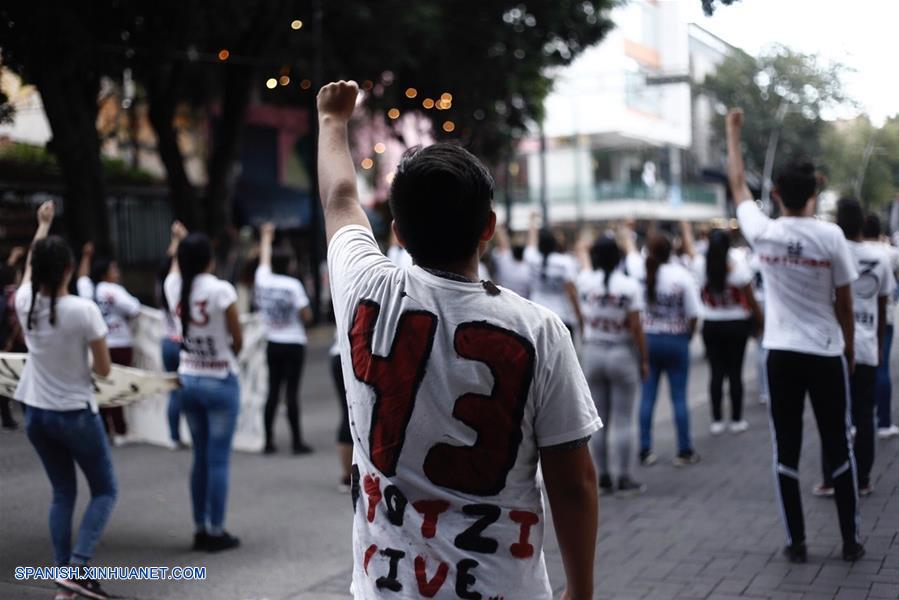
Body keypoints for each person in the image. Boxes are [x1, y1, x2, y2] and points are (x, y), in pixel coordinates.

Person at [318, 81, 601, 599]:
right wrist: (580, 590)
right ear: (488, 227)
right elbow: (574, 482)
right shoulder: (540, 331)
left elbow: (340, 199)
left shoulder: (362, 290)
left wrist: (332, 120)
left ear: (399, 233)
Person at [727, 107, 864, 562]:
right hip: (825, 352)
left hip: (780, 354)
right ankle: (850, 540)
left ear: (776, 193)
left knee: (785, 450)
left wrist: (732, 133)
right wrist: (848, 348)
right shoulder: (832, 237)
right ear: (815, 193)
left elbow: (737, 184)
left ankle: (797, 542)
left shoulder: (763, 231)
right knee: (837, 443)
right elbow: (845, 303)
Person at [14, 202, 117, 599]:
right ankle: (77, 569)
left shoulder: (24, 302)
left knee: (63, 493)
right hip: (75, 415)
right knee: (104, 491)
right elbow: (104, 370)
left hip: (36, 414)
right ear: (70, 269)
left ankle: (65, 582)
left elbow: (29, 268)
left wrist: (42, 225)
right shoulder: (84, 311)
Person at [165, 225, 243, 553]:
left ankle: (199, 527)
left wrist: (178, 241)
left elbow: (174, 265)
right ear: (210, 260)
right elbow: (237, 339)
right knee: (218, 460)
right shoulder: (221, 290)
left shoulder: (173, 286)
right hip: (220, 378)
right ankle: (216, 529)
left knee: (199, 457)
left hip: (188, 378)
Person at [813, 199, 895, 498]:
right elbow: (882, 306)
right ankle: (862, 480)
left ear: (838, 222)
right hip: (867, 345)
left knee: (831, 414)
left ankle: (830, 478)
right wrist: (879, 344)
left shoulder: (831, 253)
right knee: (865, 415)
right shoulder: (881, 259)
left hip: (832, 346)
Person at [578, 235, 648, 495]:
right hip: (622, 352)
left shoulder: (585, 281)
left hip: (593, 352)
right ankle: (624, 477)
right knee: (624, 419)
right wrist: (644, 359)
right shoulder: (629, 286)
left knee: (598, 420)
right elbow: (636, 327)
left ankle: (603, 477)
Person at [637, 233, 702, 467]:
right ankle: (684, 450)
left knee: (647, 396)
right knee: (679, 397)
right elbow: (694, 313)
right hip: (676, 339)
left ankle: (645, 449)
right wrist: (688, 335)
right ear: (670, 252)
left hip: (650, 339)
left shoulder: (642, 275)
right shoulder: (681, 276)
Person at [693, 229, 763, 434]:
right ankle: (736, 419)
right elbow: (750, 299)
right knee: (735, 373)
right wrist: (760, 321)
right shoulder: (739, 266)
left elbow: (699, 292)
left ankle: (716, 420)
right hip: (736, 324)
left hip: (712, 324)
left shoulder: (700, 265)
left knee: (715, 373)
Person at [255, 223, 314, 455]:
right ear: (289, 265)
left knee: (272, 390)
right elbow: (306, 316)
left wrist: (266, 237)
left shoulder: (263, 280)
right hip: (294, 342)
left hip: (273, 341)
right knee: (291, 392)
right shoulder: (293, 285)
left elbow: (263, 260)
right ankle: (297, 441)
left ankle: (268, 440)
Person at [77, 246, 141, 445]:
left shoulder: (89, 290)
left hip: (98, 345)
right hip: (120, 343)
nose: (117, 273)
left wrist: (86, 256)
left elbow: (81, 279)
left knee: (101, 388)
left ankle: (105, 429)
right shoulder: (114, 290)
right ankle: (120, 430)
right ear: (105, 273)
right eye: (114, 269)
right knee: (118, 387)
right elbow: (134, 308)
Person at [863, 215, 899, 439]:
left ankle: (854, 420)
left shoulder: (850, 250)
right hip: (885, 317)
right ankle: (884, 422)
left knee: (854, 369)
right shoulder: (890, 253)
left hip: (857, 318)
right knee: (882, 367)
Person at [525, 213, 583, 335]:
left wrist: (532, 221)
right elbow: (572, 293)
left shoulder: (531, 258)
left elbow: (531, 241)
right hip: (562, 317)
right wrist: (579, 317)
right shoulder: (565, 262)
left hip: (536, 316)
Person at [158, 224, 188, 449]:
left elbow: (170, 262)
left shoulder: (161, 287)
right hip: (181, 343)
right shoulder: (180, 287)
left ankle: (174, 436)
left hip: (166, 342)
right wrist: (181, 240)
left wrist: (176, 240)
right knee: (188, 391)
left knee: (173, 391)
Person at [491, 225, 531, 298]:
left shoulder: (504, 261)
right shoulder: (529, 268)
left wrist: (500, 228)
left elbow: (503, 243)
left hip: (504, 299)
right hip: (523, 301)